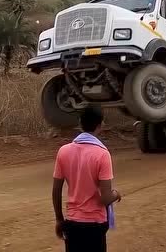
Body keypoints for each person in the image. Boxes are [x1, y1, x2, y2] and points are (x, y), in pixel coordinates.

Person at [52, 106, 121, 252]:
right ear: (100, 125)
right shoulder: (102, 154)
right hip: (95, 225)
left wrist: (59, 219)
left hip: (72, 223)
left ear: (80, 122)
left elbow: (56, 191)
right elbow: (105, 198)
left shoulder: (63, 151)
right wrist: (116, 194)